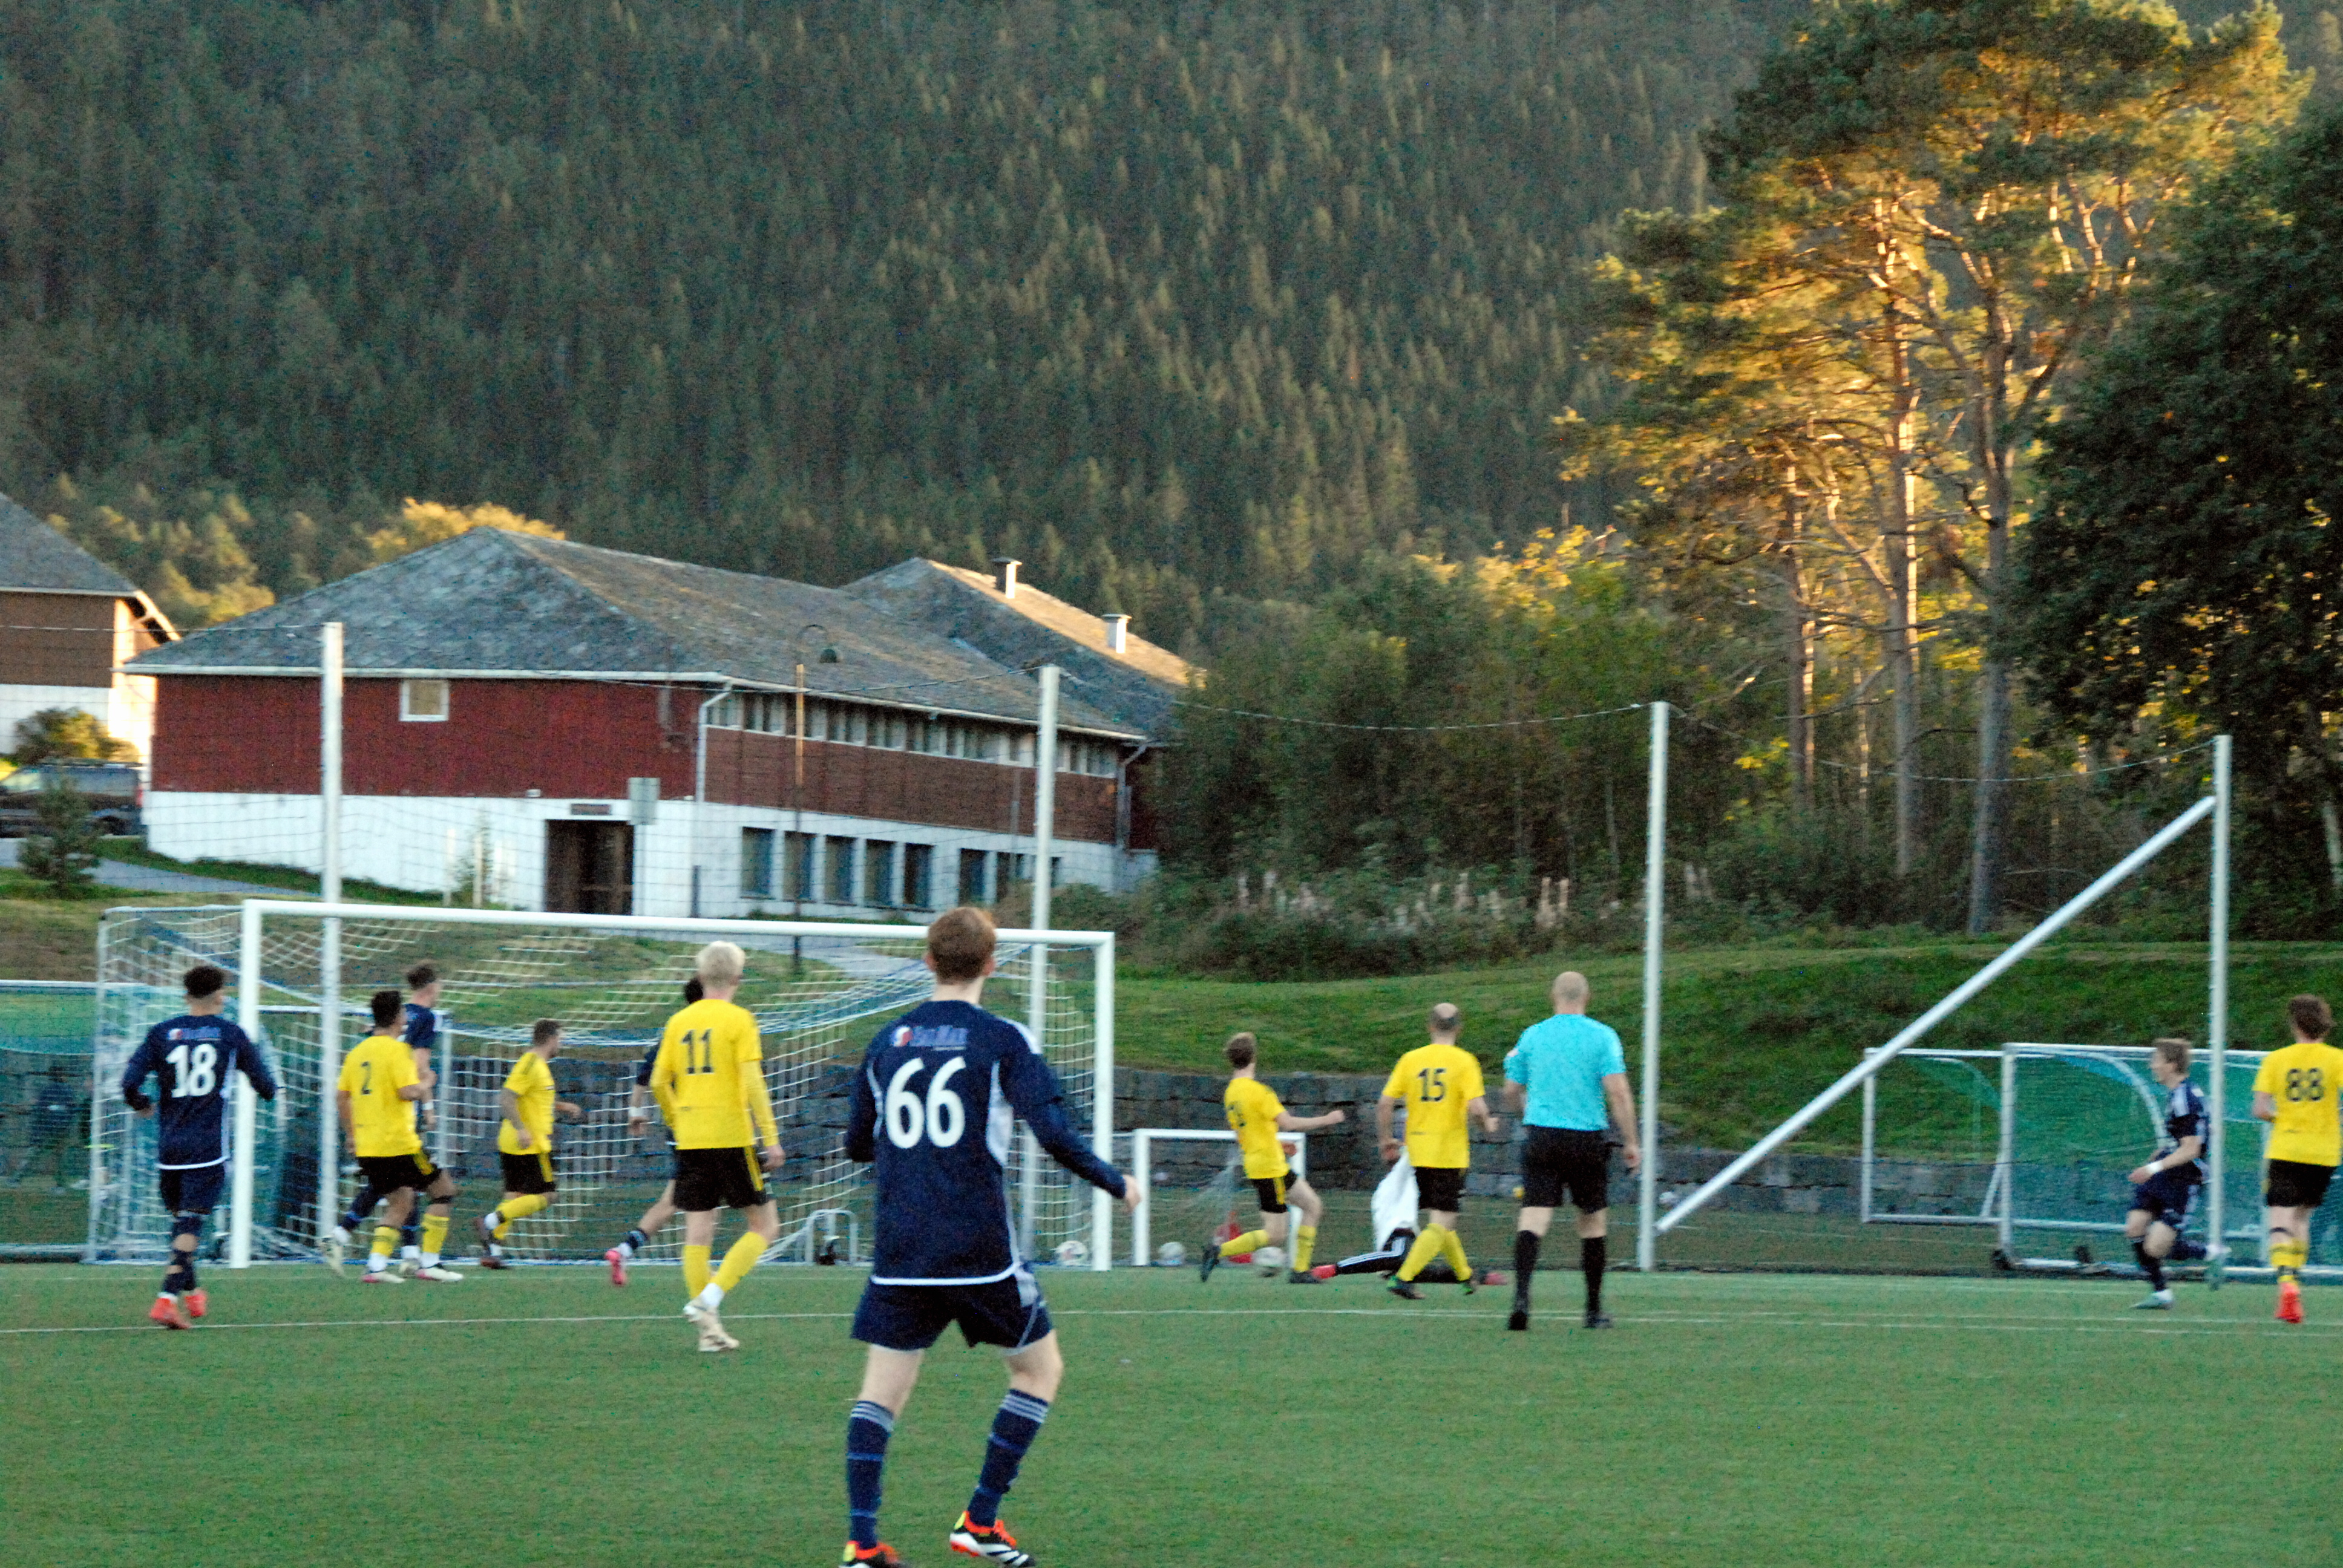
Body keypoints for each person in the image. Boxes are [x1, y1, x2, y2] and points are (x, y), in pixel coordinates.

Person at [839, 907, 1138, 1568]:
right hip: (979, 1254)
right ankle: (979, 1520)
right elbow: (1053, 1133)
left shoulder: (887, 1041)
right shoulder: (1004, 1039)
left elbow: (858, 1142)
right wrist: (1115, 1181)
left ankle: (862, 1542)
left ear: (928, 961)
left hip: (902, 1251)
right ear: (992, 964)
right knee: (1039, 1371)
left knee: (880, 1395)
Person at [119, 964, 278, 1328]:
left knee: (183, 1224)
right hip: (208, 1148)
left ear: (186, 996)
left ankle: (192, 1293)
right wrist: (268, 1089)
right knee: (190, 1225)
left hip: (170, 1148)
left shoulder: (161, 1033)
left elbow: (128, 1083)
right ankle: (167, 1298)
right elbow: (265, 1084)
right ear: (220, 995)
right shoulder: (231, 1034)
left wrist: (140, 1103)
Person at [649, 942, 784, 1351]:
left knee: (698, 1234)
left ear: (700, 977)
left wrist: (678, 1120)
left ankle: (708, 1334)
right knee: (765, 1226)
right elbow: (753, 1082)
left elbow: (659, 1082)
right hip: (732, 1136)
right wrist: (771, 1137)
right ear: (738, 979)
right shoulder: (740, 1020)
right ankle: (709, 1299)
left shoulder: (678, 1021)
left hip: (691, 1139)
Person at [1503, 970, 1642, 1331]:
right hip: (1586, 1139)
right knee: (1592, 1221)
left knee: (1533, 1218)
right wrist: (1631, 1141)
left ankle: (1521, 1299)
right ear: (1587, 997)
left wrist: (1526, 1117)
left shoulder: (1533, 1035)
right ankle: (1593, 1310)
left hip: (1543, 1136)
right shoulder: (1602, 1036)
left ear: (1554, 996)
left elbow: (1511, 1090)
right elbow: (1618, 1093)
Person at [336, 988, 465, 1284]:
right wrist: (427, 1083)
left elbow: (341, 1097)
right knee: (443, 1190)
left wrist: (351, 1136)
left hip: (368, 1147)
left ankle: (376, 1267)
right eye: (404, 1012)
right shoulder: (398, 1051)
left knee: (402, 1201)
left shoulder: (358, 1052)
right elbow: (406, 1092)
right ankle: (430, 1263)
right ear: (398, 1017)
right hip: (399, 1144)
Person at [1198, 1033, 1346, 1285]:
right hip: (1270, 1167)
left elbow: (1248, 1132)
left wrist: (1277, 1144)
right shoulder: (1259, 1092)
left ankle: (1300, 1271)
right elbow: (1288, 1123)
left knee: (1312, 1205)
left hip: (1262, 1162)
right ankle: (1218, 1251)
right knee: (1275, 1235)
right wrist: (1327, 1119)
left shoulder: (1231, 1092)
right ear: (1254, 1057)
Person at [1378, 1003, 1499, 1299]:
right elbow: (1477, 1108)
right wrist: (1488, 1124)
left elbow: (1385, 1103)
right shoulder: (1464, 1061)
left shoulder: (1411, 1059)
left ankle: (1465, 1276)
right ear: (1459, 1028)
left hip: (1419, 1152)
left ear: (1430, 1026)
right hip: (1449, 1153)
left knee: (1442, 1220)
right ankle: (1403, 1278)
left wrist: (1385, 1139)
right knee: (1443, 1221)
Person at [2252, 993, 2343, 1324]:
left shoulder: (2276, 1060)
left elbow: (2260, 1109)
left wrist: (2283, 1119)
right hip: (2323, 1152)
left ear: (2294, 1024)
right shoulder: (2337, 1059)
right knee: (2302, 1219)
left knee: (2281, 1218)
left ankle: (2287, 1283)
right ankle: (2296, 1283)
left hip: (2287, 1149)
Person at [605, 976, 701, 1285]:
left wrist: (635, 1110)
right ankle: (700, 1272)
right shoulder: (719, 1026)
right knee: (711, 1202)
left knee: (676, 1199)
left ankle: (625, 1250)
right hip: (709, 1129)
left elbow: (645, 1075)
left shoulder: (675, 1029)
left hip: (680, 1129)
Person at [474, 1019, 581, 1268]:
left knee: (514, 1197)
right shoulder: (531, 1063)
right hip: (529, 1143)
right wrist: (522, 1129)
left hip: (516, 1141)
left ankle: (493, 1251)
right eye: (560, 1039)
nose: (561, 1044)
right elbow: (506, 1097)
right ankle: (489, 1222)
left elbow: (533, 1098)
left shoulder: (538, 1066)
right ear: (551, 1039)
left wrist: (562, 1107)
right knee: (548, 1195)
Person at [2122, 1037, 2207, 1311]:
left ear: (2171, 1065)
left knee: (2156, 1248)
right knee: (2135, 1227)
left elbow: (2192, 1149)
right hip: (2165, 1172)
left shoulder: (2185, 1098)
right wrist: (2161, 1153)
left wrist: (2153, 1168)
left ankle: (2209, 1253)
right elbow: (2187, 1137)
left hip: (2183, 1179)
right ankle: (2161, 1293)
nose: (2152, 1065)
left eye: (2156, 1060)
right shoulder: (2178, 1093)